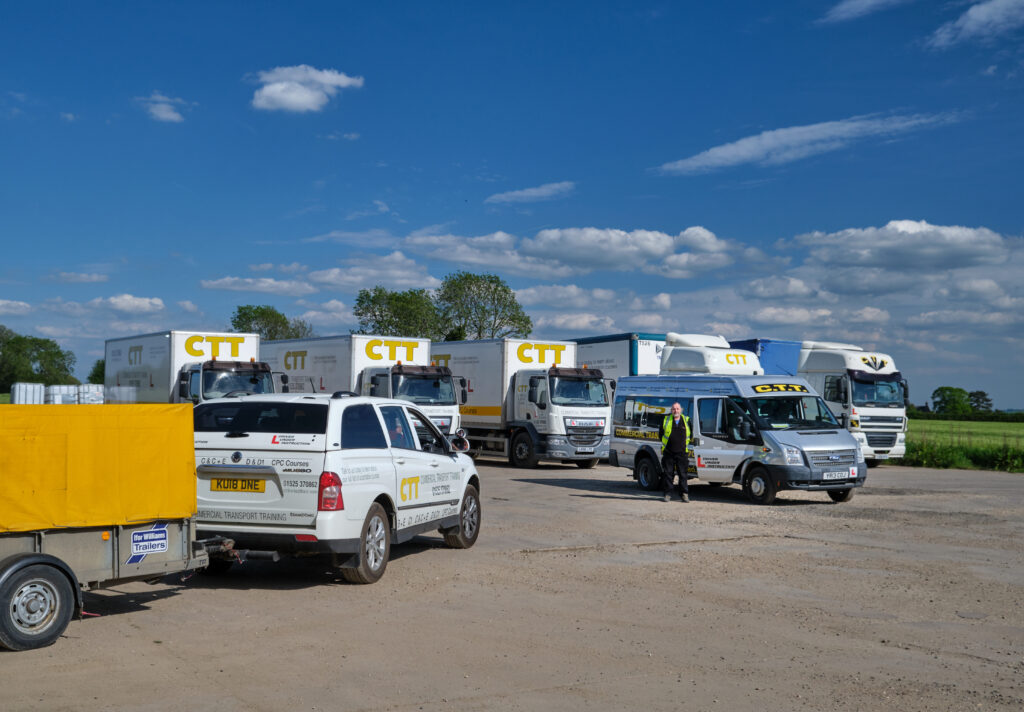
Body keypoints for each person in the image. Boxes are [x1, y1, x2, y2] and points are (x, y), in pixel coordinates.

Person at [658, 402, 693, 503]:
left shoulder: (686, 420)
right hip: (668, 452)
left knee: (683, 475)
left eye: (677, 409)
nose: (675, 411)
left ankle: (684, 495)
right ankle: (667, 494)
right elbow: (660, 434)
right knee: (668, 474)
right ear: (671, 410)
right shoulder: (666, 420)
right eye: (674, 409)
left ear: (681, 410)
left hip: (682, 452)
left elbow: (690, 435)